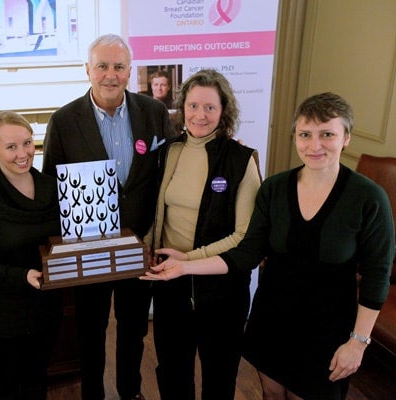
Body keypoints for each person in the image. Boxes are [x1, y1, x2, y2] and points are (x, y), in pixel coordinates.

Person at [142, 92, 395, 400]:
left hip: (327, 330)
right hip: (273, 320)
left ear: (346, 138)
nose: (314, 145)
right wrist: (184, 266)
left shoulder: (368, 198)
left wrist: (358, 341)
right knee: (272, 394)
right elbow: (245, 253)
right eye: (305, 134)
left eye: (327, 134)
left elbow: (377, 275)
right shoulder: (274, 189)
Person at [42, 33, 176, 400]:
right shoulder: (64, 120)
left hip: (141, 244)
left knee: (134, 329)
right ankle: (92, 394)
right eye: (102, 66)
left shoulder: (154, 112)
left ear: (130, 71)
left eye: (118, 66)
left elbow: (171, 167)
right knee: (90, 329)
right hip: (90, 248)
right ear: (87, 69)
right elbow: (52, 185)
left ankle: (130, 391)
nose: (110, 74)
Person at [143, 69, 261, 400]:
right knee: (172, 372)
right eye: (193, 106)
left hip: (221, 290)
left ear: (224, 111)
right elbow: (157, 211)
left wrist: (188, 259)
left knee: (218, 378)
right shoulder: (168, 152)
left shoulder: (241, 160)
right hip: (170, 282)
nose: (200, 115)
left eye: (210, 107)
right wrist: (148, 248)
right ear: (183, 108)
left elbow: (243, 235)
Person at [0, 111, 62, 399]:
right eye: (11, 146)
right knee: (8, 386)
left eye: (27, 143)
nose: (22, 154)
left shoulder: (51, 186)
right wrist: (22, 276)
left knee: (37, 380)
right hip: (4, 312)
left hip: (47, 306)